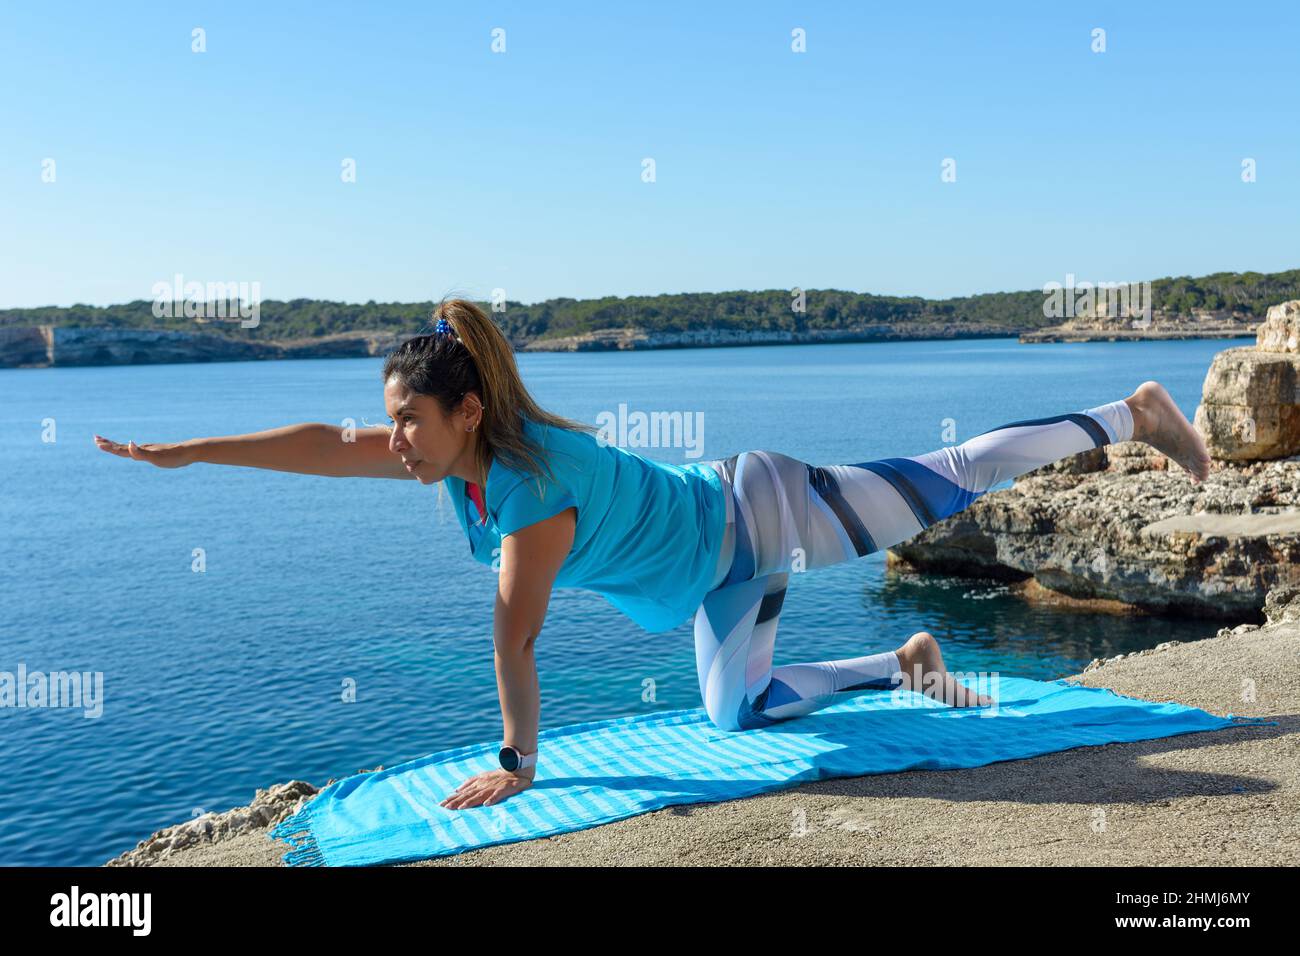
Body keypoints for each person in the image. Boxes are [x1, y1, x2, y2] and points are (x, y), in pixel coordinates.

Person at [94, 298, 1212, 811]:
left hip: (757, 510)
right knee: (739, 713)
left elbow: (515, 636)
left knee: (940, 480)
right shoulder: (456, 458)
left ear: (466, 410)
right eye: (389, 419)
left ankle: (1133, 406)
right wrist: (190, 451)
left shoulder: (528, 493)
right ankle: (898, 663)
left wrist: (520, 766)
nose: (389, 439)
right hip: (717, 571)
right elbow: (323, 444)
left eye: (406, 421)